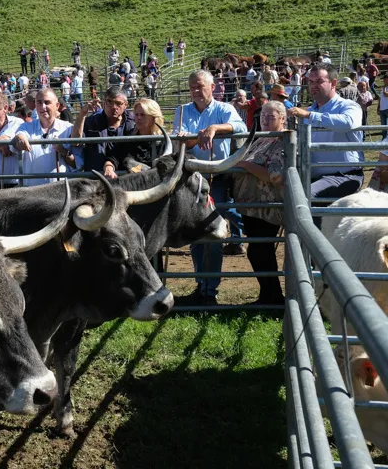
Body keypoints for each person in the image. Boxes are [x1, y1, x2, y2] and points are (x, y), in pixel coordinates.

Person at [172, 69, 248, 304]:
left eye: (200, 86)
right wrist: (198, 136)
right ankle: (202, 285)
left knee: (211, 233)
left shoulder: (224, 109)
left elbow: (239, 128)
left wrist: (214, 128)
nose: (195, 90)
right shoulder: (182, 110)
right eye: (192, 86)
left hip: (217, 176)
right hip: (192, 179)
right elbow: (179, 140)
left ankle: (209, 290)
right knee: (196, 234)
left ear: (212, 87)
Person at [232, 101, 287, 305]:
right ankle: (268, 295)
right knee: (258, 250)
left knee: (261, 249)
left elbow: (275, 176)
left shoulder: (281, 141)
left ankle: (272, 297)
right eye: (263, 116)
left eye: (271, 116)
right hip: (251, 206)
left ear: (282, 118)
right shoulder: (261, 139)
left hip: (268, 206)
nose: (265, 120)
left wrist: (245, 165)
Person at [286, 65, 364, 203]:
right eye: (311, 82)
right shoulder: (309, 111)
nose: (313, 86)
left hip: (344, 175)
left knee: (304, 197)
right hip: (312, 175)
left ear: (333, 83)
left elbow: (349, 122)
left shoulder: (348, 106)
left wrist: (310, 115)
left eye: (319, 81)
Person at [11, 88, 76, 186]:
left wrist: (62, 150)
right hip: (31, 191)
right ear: (35, 106)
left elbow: (78, 164)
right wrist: (18, 137)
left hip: (59, 191)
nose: (43, 107)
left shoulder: (68, 128)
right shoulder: (26, 127)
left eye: (47, 102)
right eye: (39, 103)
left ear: (57, 105)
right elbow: (18, 139)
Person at [71, 86, 135, 173]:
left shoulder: (133, 123)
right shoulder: (92, 121)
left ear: (125, 105)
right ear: (104, 102)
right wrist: (82, 114)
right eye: (109, 102)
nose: (113, 107)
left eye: (118, 103)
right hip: (96, 177)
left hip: (126, 177)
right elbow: (75, 142)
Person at [101, 97, 165, 178]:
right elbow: (113, 157)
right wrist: (108, 167)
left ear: (153, 117)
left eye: (143, 115)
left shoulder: (164, 141)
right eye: (136, 114)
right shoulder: (129, 138)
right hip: (131, 186)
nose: (138, 118)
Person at [380, 73, 388, 139]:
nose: (383, 81)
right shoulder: (383, 88)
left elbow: (386, 94)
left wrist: (384, 87)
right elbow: (380, 98)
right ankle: (384, 138)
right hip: (382, 109)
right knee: (383, 126)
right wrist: (378, 107)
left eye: (384, 79)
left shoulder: (384, 88)